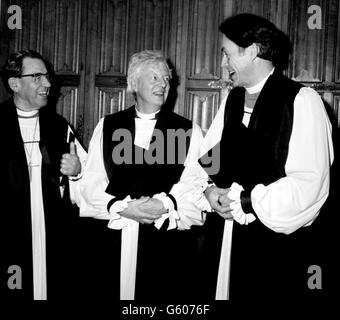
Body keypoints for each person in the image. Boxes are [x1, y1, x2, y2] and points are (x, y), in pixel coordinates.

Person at [198, 14, 334, 300]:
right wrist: (209, 191)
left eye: (226, 53)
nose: (222, 64)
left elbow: (310, 186)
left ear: (252, 51)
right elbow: (209, 161)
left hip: (278, 249)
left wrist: (246, 202)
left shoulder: (302, 101)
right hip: (227, 242)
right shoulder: (231, 101)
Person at [79, 50, 206, 300]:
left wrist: (163, 206)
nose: (163, 85)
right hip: (113, 241)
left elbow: (199, 186)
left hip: (166, 246)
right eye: (155, 77)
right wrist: (121, 208)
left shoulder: (189, 130)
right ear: (134, 83)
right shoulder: (108, 126)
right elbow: (91, 183)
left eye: (167, 79)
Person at [0, 49, 86, 300]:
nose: (47, 83)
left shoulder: (58, 126)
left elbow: (87, 182)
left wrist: (77, 172)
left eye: (47, 76)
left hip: (51, 230)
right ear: (15, 84)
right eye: (37, 77)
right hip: (5, 232)